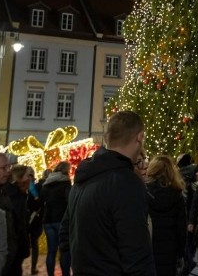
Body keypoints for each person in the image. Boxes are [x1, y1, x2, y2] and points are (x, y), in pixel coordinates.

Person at [60, 110, 156, 275]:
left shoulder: (83, 179)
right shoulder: (126, 183)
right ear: (139, 137)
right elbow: (136, 253)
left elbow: (65, 235)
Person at [145, 155, 188, 276]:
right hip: (170, 249)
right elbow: (181, 227)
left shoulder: (145, 193)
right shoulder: (177, 195)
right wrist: (181, 253)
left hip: (150, 248)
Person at [40, 160, 72, 276]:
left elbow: (41, 200)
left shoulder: (46, 183)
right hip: (61, 220)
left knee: (51, 251)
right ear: (65, 170)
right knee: (64, 250)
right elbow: (69, 201)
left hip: (48, 220)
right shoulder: (66, 183)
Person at [4, 165, 32, 276]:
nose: (30, 178)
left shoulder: (20, 194)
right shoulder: (16, 196)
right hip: (14, 245)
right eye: (27, 175)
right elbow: (17, 223)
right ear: (19, 178)